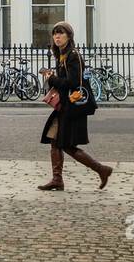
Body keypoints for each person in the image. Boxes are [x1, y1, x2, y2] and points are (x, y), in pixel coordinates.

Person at [37, 21, 112, 191]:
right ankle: (57, 179)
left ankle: (101, 170)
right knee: (54, 139)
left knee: (66, 144)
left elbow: (71, 82)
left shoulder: (73, 55)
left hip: (72, 107)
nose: (57, 36)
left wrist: (51, 78)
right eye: (55, 33)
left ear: (69, 36)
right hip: (64, 106)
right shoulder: (62, 55)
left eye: (61, 33)